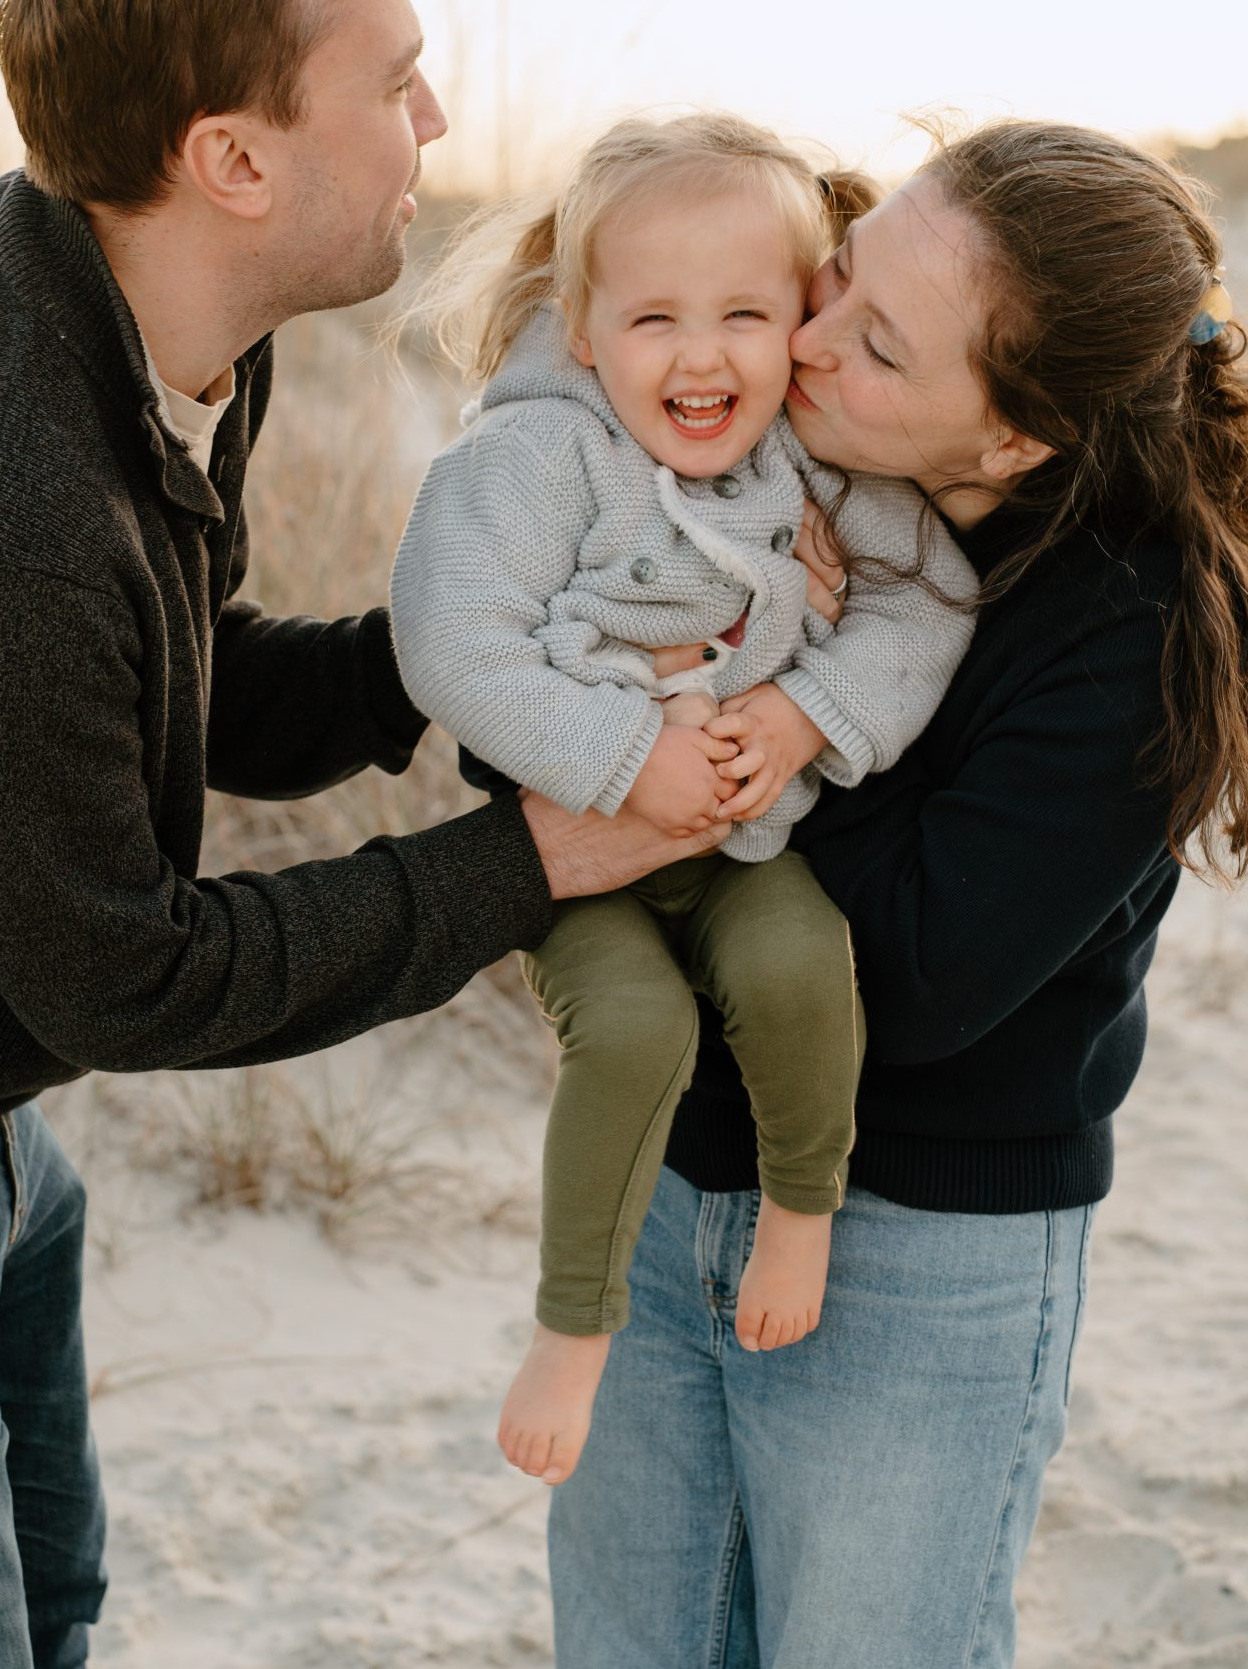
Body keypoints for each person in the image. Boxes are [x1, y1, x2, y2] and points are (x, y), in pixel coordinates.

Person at [0, 2, 729, 1669]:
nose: (436, 116)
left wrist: (458, 672)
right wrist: (533, 860)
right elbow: (132, 978)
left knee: (49, 1599)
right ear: (231, 161)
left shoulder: (139, 314)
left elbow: (177, 668)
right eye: (390, 83)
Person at [545, 117, 1248, 1669]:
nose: (801, 342)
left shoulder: (1133, 630)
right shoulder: (752, 457)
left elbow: (912, 972)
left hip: (924, 1256)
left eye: (874, 345)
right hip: (674, 1182)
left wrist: (737, 727)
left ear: (1012, 440)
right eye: (839, 276)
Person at [390, 113, 978, 1488]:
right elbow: (453, 641)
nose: (701, 356)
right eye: (653, 318)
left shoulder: (817, 464)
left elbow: (924, 607)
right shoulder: (533, 461)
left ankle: (801, 1208)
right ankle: (573, 1326)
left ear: (803, 322)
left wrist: (799, 713)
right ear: (583, 331)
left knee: (797, 960)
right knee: (638, 1028)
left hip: (741, 831)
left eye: (743, 315)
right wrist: (618, 754)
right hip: (579, 844)